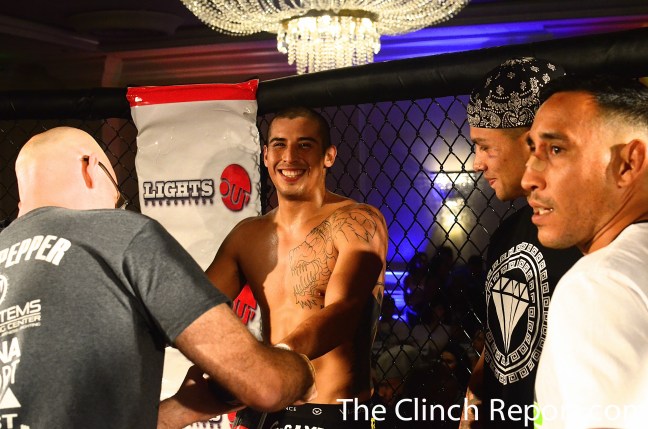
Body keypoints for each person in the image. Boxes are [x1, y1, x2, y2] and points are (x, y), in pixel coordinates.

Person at [0, 127, 316, 429]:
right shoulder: (121, 234)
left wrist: (183, 409)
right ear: (90, 167)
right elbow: (264, 385)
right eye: (116, 196)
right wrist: (301, 372)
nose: (115, 206)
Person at [206, 106, 388, 428]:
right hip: (266, 408)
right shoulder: (247, 235)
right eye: (279, 144)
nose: (289, 157)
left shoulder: (357, 221)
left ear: (328, 156)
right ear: (266, 155)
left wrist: (277, 358)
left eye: (304, 145)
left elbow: (345, 311)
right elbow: (196, 309)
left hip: (335, 413)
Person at [460, 58, 582, 429]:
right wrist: (473, 399)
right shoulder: (505, 234)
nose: (477, 163)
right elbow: (500, 341)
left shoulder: (591, 232)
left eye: (486, 147)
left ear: (533, 142)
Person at [521, 75, 648, 429]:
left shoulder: (599, 285)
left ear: (627, 163)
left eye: (556, 150)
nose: (528, 179)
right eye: (532, 150)